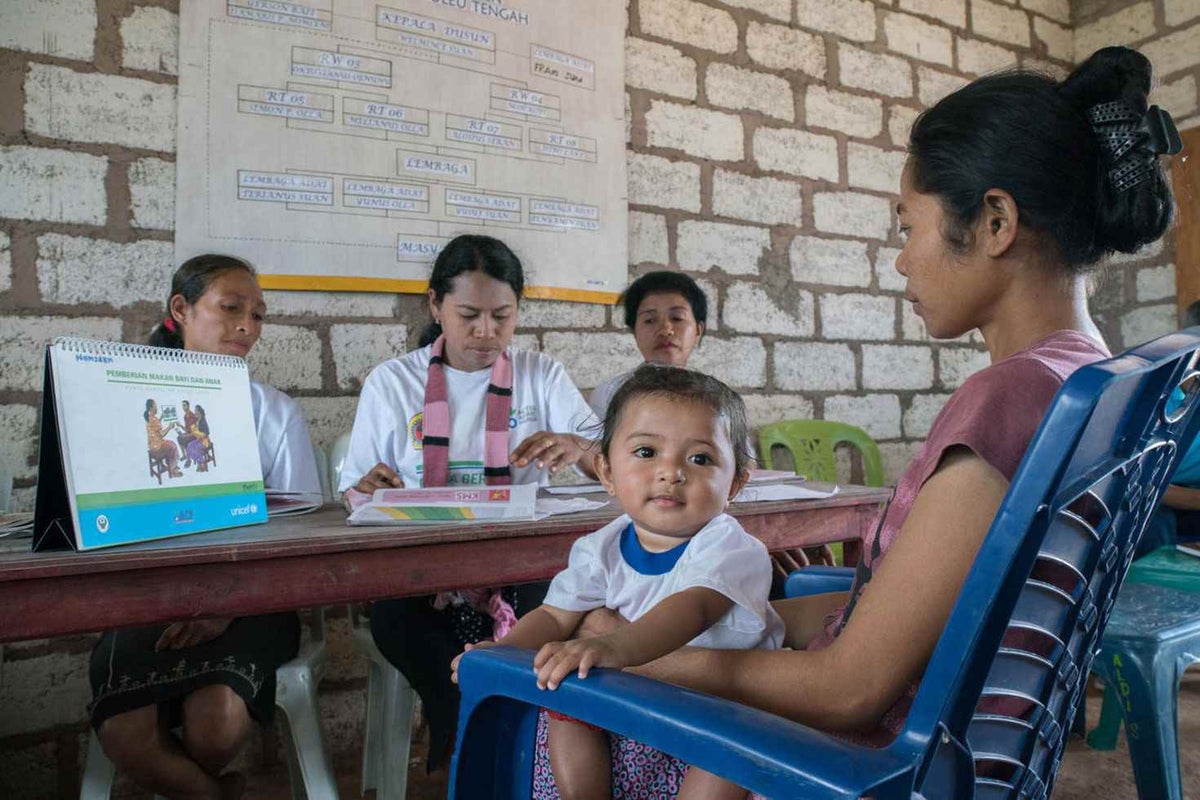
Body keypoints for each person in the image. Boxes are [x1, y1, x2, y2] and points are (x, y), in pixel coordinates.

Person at [493, 46, 1179, 797]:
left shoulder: (1007, 402)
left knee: (548, 709)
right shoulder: (1097, 383)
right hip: (984, 743)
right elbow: (937, 608)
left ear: (994, 222)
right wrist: (759, 614)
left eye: (905, 226)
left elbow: (847, 690)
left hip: (868, 761)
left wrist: (643, 656)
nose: (901, 262)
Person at [454, 365, 782, 799]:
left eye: (700, 459)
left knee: (735, 752)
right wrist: (502, 652)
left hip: (720, 706)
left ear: (736, 483)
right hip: (637, 699)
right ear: (607, 472)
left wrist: (614, 646)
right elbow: (555, 615)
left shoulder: (731, 547)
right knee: (561, 693)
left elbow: (693, 607)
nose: (671, 472)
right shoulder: (601, 547)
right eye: (647, 452)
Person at [338, 233, 600, 772]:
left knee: (557, 610)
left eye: (502, 316)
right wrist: (370, 490)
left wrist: (581, 448)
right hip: (424, 570)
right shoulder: (393, 383)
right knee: (397, 622)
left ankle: (488, 748)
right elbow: (356, 492)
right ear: (435, 305)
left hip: (522, 566)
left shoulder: (540, 375)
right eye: (469, 315)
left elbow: (613, 465)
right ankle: (473, 739)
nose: (487, 333)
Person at [89, 254, 323, 800]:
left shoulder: (273, 412)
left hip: (253, 596)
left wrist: (227, 605)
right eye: (231, 308)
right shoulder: (125, 402)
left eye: (259, 315)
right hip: (147, 596)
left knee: (217, 722)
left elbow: (299, 531)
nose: (248, 326)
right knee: (125, 731)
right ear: (181, 309)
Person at [587, 271, 707, 420]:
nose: (665, 330)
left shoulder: (716, 400)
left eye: (677, 318)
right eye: (650, 320)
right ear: (635, 332)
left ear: (697, 331)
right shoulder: (609, 395)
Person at [145, 398, 182, 479]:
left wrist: (161, 417)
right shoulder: (153, 419)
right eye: (155, 406)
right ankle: (172, 469)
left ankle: (169, 465)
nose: (157, 408)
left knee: (170, 444)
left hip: (153, 445)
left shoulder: (150, 417)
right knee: (173, 446)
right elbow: (161, 434)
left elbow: (156, 426)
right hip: (157, 446)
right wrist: (169, 427)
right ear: (151, 408)